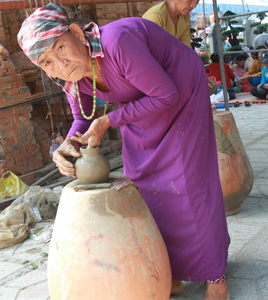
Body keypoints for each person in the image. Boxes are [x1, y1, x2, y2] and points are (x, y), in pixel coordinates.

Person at [17, 4, 230, 299]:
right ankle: (174, 270)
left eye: (61, 48)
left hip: (180, 92)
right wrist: (68, 144)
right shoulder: (67, 79)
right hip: (139, 107)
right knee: (144, 187)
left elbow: (166, 94)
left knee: (188, 184)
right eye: (47, 62)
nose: (61, 64)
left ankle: (214, 276)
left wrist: (109, 120)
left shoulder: (117, 43)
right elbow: (83, 118)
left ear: (77, 33)